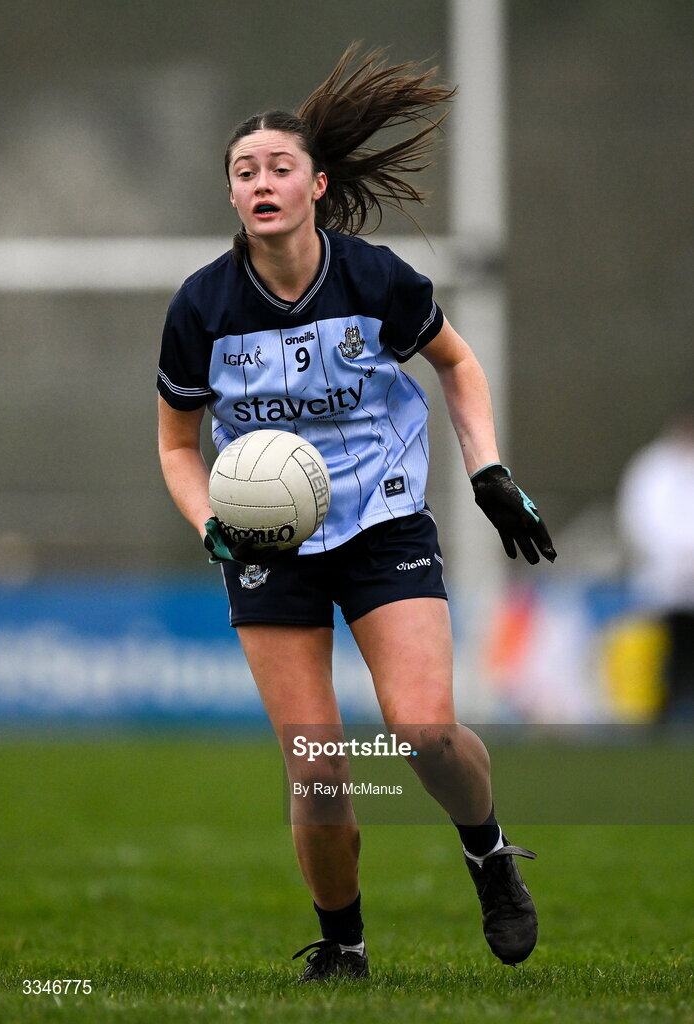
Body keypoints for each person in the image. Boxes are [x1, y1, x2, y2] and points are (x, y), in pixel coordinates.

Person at [157, 44, 557, 982]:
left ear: (316, 186)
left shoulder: (375, 279)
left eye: (278, 168)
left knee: (421, 731)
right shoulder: (202, 309)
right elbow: (178, 447)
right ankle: (344, 949)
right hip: (268, 545)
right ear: (232, 196)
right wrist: (210, 523)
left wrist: (488, 471)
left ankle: (488, 850)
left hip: (382, 522)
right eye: (244, 172)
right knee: (318, 766)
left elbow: (457, 362)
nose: (261, 182)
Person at [617, 405, 694, 721]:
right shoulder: (653, 466)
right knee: (667, 650)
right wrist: (675, 555)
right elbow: (642, 518)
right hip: (663, 579)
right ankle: (663, 712)